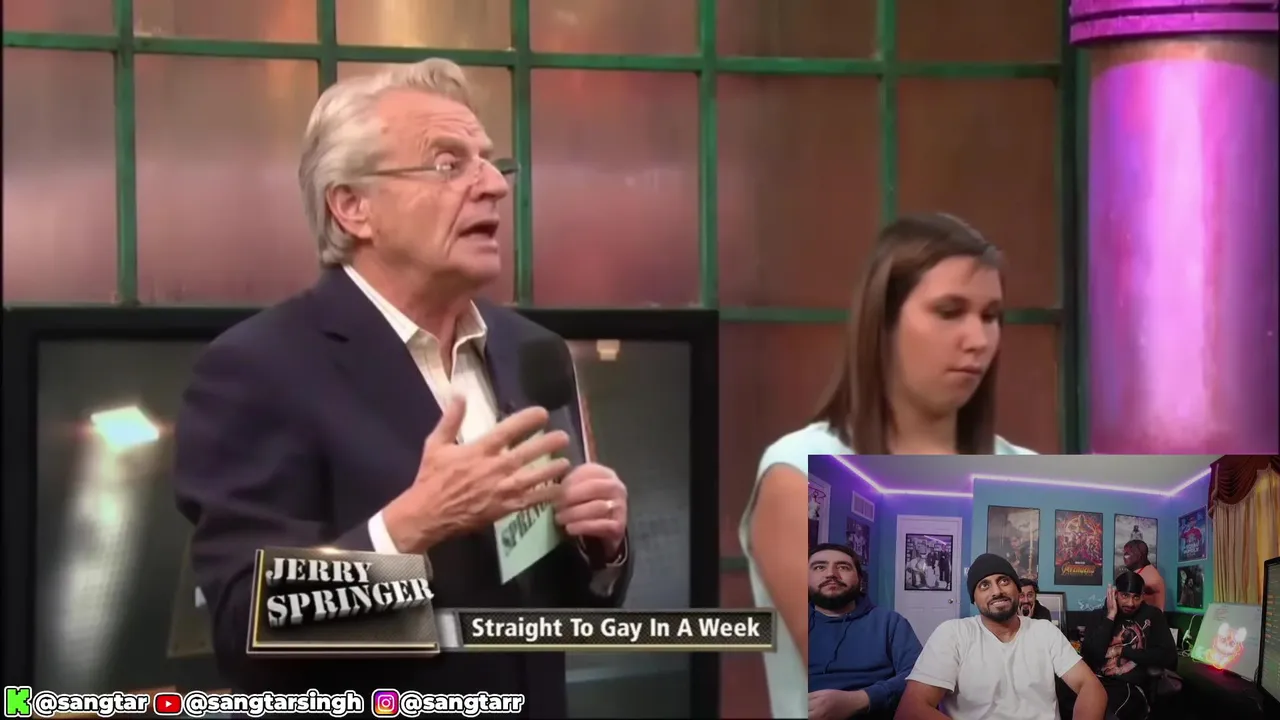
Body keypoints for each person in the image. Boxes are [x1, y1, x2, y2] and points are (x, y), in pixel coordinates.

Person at [172, 58, 632, 715]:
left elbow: (544, 602)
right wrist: (408, 527)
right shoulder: (259, 368)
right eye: (448, 164)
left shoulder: (530, 350)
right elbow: (247, 628)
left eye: (490, 163)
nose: (492, 187)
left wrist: (599, 546)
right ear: (353, 208)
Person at [741, 214, 1035, 717]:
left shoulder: (1024, 468)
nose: (978, 339)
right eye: (949, 311)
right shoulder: (794, 471)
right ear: (884, 323)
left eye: (991, 316)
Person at [895, 554, 1106, 720]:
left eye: (1004, 581)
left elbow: (1091, 687)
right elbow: (911, 710)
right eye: (984, 585)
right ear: (974, 598)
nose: (996, 591)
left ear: (1017, 589)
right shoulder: (953, 634)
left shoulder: (1045, 631)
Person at [809, 544, 923, 720]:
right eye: (819, 567)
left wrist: (861, 699)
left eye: (843, 567)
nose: (831, 574)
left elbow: (919, 675)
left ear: (860, 579)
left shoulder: (890, 622)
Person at [1080, 572, 1177, 720]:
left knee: (1107, 713)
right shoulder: (1099, 616)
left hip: (1129, 686)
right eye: (1125, 596)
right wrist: (1110, 616)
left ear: (1142, 596)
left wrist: (1123, 650)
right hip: (1097, 682)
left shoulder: (1153, 616)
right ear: (1115, 594)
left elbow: (1169, 657)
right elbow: (1091, 657)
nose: (1131, 603)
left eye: (1136, 597)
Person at [1121, 540, 1165, 610]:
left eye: (1127, 554)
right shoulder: (1142, 572)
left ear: (1139, 556)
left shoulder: (1149, 575)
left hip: (1151, 616)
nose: (1124, 557)